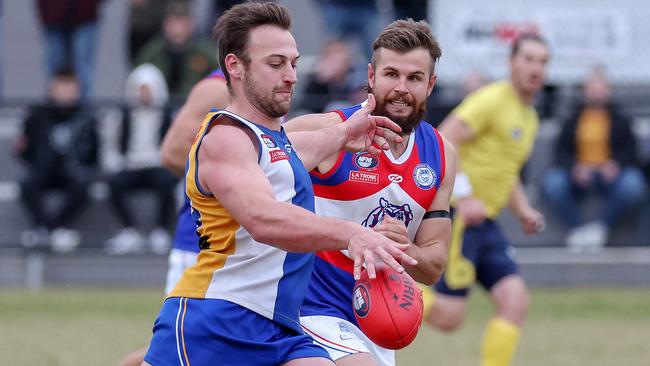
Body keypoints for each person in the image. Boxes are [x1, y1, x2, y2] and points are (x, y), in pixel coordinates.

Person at [142, 3, 415, 366]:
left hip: (278, 329)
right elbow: (263, 219)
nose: (290, 75)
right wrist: (351, 233)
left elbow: (287, 154)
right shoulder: (226, 137)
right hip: (218, 322)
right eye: (275, 64)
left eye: (294, 63)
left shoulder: (271, 141)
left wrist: (344, 132)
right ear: (235, 66)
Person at [284, 19, 456, 366]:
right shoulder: (331, 130)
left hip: (374, 317)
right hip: (309, 309)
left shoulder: (440, 154)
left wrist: (404, 248)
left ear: (431, 85)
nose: (401, 88)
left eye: (415, 78)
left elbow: (434, 265)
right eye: (391, 74)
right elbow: (254, 155)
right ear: (372, 76)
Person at [421, 33, 550, 366]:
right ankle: (389, 289)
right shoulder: (491, 99)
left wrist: (524, 211)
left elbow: (505, 176)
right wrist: (463, 195)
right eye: (529, 59)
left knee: (515, 300)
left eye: (543, 61)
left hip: (486, 222)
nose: (536, 68)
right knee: (449, 317)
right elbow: (444, 138)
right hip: (461, 217)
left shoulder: (529, 117)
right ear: (511, 63)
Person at [116, 68, 230, 366]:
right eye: (276, 60)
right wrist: (237, 175)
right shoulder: (217, 89)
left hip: (241, 245)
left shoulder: (266, 91)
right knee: (177, 352)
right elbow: (172, 153)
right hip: (202, 245)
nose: (289, 74)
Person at [540, 68, 647, 251]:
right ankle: (578, 229)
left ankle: (601, 228)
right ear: (585, 91)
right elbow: (560, 152)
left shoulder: (620, 118)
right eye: (593, 88)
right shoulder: (573, 118)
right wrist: (575, 167)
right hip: (580, 175)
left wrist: (616, 165)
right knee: (552, 183)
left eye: (601, 88)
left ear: (608, 90)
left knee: (633, 185)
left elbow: (631, 151)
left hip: (611, 176)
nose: (597, 93)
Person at [15, 65, 99, 253]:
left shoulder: (85, 116)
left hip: (72, 171)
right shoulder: (37, 114)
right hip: (43, 169)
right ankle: (46, 228)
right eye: (62, 86)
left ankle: (55, 229)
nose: (66, 91)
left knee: (83, 184)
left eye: (70, 86)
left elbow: (94, 151)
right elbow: (24, 147)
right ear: (52, 87)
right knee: (27, 183)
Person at [104, 63, 178, 255]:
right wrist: (117, 163)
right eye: (140, 89)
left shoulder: (169, 115)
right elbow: (112, 145)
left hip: (158, 165)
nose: (143, 94)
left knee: (166, 181)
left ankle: (161, 231)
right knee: (113, 184)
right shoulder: (123, 115)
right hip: (131, 165)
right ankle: (130, 231)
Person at [135, 1, 218, 100]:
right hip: (159, 109)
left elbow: (219, 78)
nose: (177, 29)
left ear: (191, 24)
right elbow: (138, 73)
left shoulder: (205, 52)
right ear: (165, 24)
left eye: (182, 22)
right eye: (172, 22)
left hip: (195, 106)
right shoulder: (153, 51)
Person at [36, 0, 102, 99]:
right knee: (55, 66)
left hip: (85, 13)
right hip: (52, 13)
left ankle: (84, 111)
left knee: (83, 68)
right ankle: (52, 109)